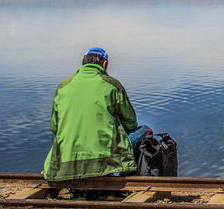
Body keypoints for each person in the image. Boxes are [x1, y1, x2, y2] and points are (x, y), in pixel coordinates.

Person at [43, 48, 150, 191]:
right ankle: (124, 182)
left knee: (63, 135)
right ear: (104, 64)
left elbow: (55, 127)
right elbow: (130, 122)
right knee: (144, 131)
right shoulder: (111, 84)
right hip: (104, 159)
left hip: (68, 160)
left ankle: (71, 180)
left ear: (82, 63)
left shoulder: (64, 85)